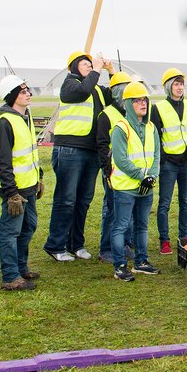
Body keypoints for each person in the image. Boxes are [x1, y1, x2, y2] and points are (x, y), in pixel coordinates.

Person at [44, 50, 112, 262]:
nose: (90, 67)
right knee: (66, 200)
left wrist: (111, 71)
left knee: (83, 200)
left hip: (91, 150)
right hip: (70, 150)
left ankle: (76, 243)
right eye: (85, 64)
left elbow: (117, 95)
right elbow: (82, 91)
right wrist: (97, 70)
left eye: (91, 64)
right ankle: (56, 245)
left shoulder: (96, 88)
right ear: (73, 67)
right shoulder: (70, 84)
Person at [0, 75, 43, 291]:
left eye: (28, 90)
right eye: (22, 92)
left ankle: (21, 268)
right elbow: (3, 161)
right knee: (10, 232)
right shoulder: (5, 122)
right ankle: (10, 276)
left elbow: (29, 152)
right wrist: (11, 192)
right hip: (15, 190)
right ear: (12, 96)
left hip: (29, 185)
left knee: (29, 226)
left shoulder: (26, 116)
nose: (28, 94)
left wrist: (38, 176)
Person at [109, 81, 160, 280]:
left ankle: (141, 261)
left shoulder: (151, 127)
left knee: (142, 226)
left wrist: (152, 175)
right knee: (121, 226)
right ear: (128, 104)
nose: (142, 103)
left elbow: (156, 154)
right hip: (126, 188)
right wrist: (143, 176)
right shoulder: (120, 129)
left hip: (146, 187)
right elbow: (121, 160)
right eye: (137, 100)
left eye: (144, 99)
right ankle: (120, 265)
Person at [150, 67, 187, 255]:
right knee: (165, 202)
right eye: (176, 84)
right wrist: (162, 160)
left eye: (181, 84)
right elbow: (155, 136)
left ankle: (184, 236)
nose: (180, 88)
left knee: (185, 201)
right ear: (169, 87)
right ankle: (165, 240)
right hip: (169, 163)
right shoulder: (158, 108)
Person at [95, 71, 132, 263]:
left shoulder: (131, 113)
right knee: (112, 210)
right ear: (117, 92)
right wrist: (107, 170)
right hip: (113, 171)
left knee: (128, 210)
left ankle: (125, 244)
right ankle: (106, 248)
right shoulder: (106, 115)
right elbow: (102, 145)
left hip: (131, 170)